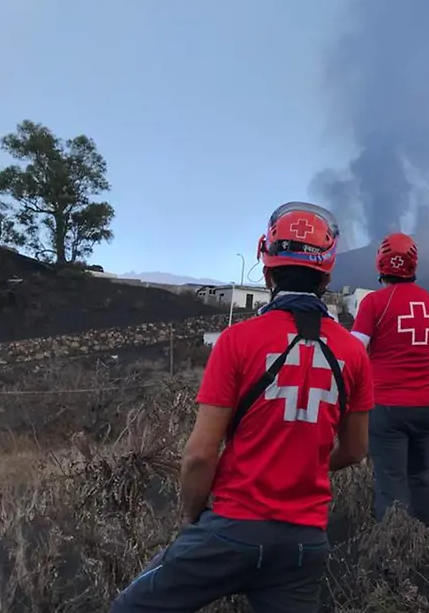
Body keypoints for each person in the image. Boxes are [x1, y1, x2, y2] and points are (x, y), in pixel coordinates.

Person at [109, 202, 374, 613]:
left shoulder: (237, 341)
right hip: (303, 544)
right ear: (327, 275)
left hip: (232, 529)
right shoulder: (353, 353)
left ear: (266, 270)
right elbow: (355, 451)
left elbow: (199, 456)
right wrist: (302, 467)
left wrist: (193, 517)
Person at [351, 232, 429, 533]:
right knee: (420, 475)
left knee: (390, 481)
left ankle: (396, 559)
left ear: (380, 265)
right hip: (426, 407)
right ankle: (428, 547)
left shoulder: (373, 303)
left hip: (386, 407)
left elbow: (354, 353)